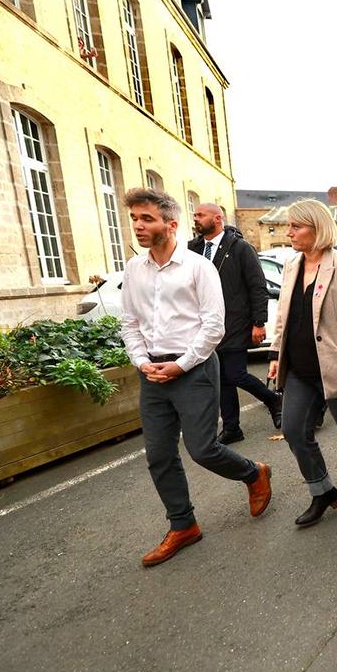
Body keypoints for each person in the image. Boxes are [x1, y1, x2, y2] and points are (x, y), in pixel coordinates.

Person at [119, 188, 272, 567]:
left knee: (203, 448)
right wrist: (141, 361)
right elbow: (129, 322)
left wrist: (181, 365)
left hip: (195, 369)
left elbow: (213, 326)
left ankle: (253, 473)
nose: (138, 225)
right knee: (158, 455)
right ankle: (183, 524)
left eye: (147, 219)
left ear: (170, 224)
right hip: (153, 373)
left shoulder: (198, 267)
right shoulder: (134, 269)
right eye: (135, 218)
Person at [267, 199, 337, 527]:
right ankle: (322, 491)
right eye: (289, 226)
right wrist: (275, 355)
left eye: (296, 226)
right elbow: (284, 315)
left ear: (318, 228)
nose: (289, 232)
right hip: (299, 368)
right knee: (294, 430)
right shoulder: (290, 266)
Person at [189, 204, 282, 444]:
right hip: (206, 323)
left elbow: (257, 286)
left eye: (200, 215)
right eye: (195, 214)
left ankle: (272, 399)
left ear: (217, 218)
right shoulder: (192, 250)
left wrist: (259, 322)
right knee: (221, 377)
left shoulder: (240, 248)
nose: (195, 218)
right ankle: (232, 428)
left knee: (235, 373)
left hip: (236, 322)